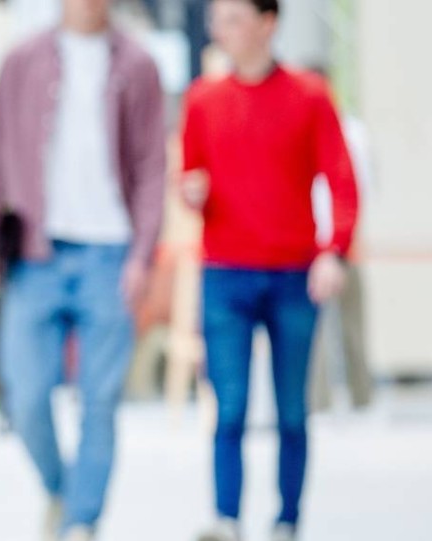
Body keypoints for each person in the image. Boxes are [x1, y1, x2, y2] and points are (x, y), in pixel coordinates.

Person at [0, 0, 168, 538]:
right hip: (37, 254)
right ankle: (61, 491)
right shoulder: (22, 61)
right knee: (26, 394)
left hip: (110, 254)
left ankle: (81, 522)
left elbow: (152, 167)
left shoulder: (139, 65)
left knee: (100, 401)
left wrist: (142, 254)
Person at [181, 1, 360, 539]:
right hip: (226, 274)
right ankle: (226, 518)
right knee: (228, 406)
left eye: (234, 18)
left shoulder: (308, 97)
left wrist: (335, 249)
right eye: (217, 20)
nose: (222, 31)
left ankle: (287, 519)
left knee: (290, 411)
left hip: (292, 275)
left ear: (267, 23)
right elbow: (191, 177)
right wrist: (191, 192)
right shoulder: (202, 101)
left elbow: (342, 179)